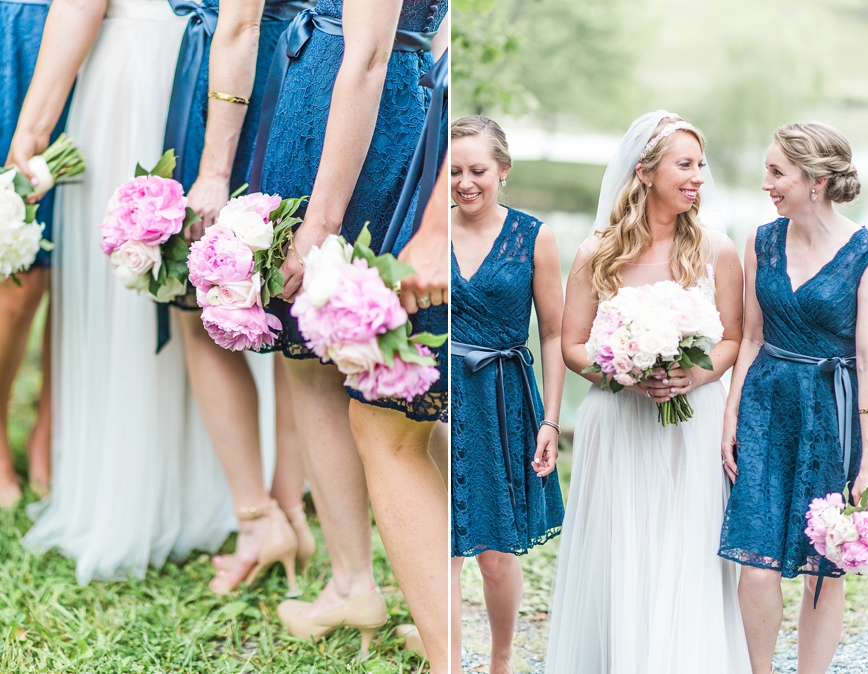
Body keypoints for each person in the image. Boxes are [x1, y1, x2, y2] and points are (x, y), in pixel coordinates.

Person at [8, 0, 232, 584]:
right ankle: (198, 493)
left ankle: (109, 484)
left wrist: (29, 136)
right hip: (216, 69)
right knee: (173, 274)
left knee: (133, 285)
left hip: (141, 74)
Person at [252, 0, 448, 665]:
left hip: (345, 112)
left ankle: (356, 585)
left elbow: (365, 55)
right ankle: (420, 595)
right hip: (387, 94)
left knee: (326, 360)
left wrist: (319, 222)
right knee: (352, 358)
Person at [546, 111, 750, 673]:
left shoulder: (717, 249)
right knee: (623, 551)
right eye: (684, 165)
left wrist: (698, 374)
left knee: (687, 551)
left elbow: (734, 337)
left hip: (694, 423)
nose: (698, 177)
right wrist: (623, 371)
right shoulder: (597, 252)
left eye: (700, 165)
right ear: (644, 173)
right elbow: (573, 345)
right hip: (620, 421)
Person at [719, 122, 868, 674]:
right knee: (757, 563)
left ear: (815, 180)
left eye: (777, 172)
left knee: (825, 564)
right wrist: (731, 415)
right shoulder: (761, 240)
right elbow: (750, 336)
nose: (765, 183)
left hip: (833, 420)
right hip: (766, 414)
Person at [160, 0, 316, 596]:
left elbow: (240, 23)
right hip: (304, 74)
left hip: (243, 81)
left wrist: (213, 170)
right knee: (283, 308)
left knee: (200, 310)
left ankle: (257, 520)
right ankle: (292, 513)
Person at [449, 115, 566, 674]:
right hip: (441, 399)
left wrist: (550, 420)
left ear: (503, 171)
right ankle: (444, 661)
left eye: (477, 170)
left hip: (504, 399)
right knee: (442, 551)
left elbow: (554, 333)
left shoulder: (533, 235)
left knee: (495, 556)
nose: (465, 182)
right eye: (453, 172)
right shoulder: (429, 231)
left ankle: (500, 662)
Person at [0, 0, 69, 507]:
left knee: (81, 265)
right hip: (20, 35)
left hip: (103, 44)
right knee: (20, 275)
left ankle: (51, 427)